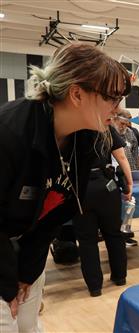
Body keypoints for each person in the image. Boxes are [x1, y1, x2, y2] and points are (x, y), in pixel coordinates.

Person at [0, 43, 130, 332]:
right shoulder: (10, 132)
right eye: (112, 97)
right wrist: (7, 285)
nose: (118, 108)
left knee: (29, 326)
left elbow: (55, 214)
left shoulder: (84, 139)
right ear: (76, 94)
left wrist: (28, 273)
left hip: (24, 245)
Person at [73, 125, 132, 297]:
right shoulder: (105, 128)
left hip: (80, 189)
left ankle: (94, 287)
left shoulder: (70, 129)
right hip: (107, 185)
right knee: (114, 233)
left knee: (87, 240)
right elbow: (121, 157)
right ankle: (120, 277)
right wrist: (128, 183)